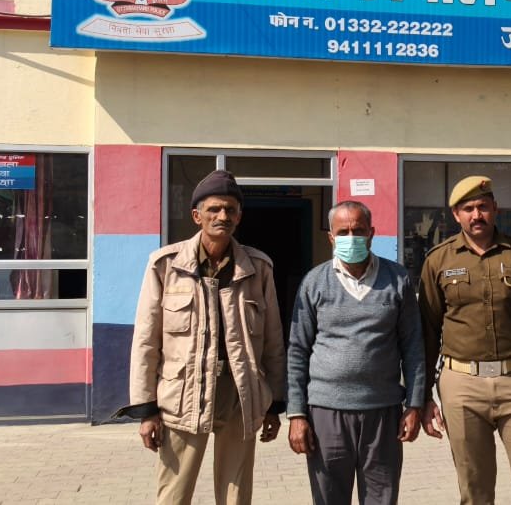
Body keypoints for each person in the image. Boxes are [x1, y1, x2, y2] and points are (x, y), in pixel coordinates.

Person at [115, 170, 286, 505]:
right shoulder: (166, 265)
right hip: (182, 397)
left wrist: (274, 404)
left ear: (239, 216)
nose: (222, 216)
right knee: (174, 494)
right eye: (214, 209)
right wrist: (146, 410)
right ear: (197, 216)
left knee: (236, 496)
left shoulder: (258, 268)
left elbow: (273, 342)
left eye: (230, 210)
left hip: (240, 396)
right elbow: (146, 342)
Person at [418, 175, 511, 505]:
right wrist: (424, 396)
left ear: (495, 209)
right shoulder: (438, 260)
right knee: (475, 491)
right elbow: (427, 332)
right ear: (456, 214)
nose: (477, 215)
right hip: (461, 386)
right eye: (468, 209)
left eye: (483, 206)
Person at [286, 200, 425, 505]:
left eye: (358, 231)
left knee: (381, 498)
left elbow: (413, 346)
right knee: (329, 498)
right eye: (343, 232)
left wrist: (414, 405)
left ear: (371, 233)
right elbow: (297, 350)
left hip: (383, 413)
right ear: (331, 237)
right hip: (326, 413)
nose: (351, 238)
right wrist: (296, 414)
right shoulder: (314, 282)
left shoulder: (397, 279)